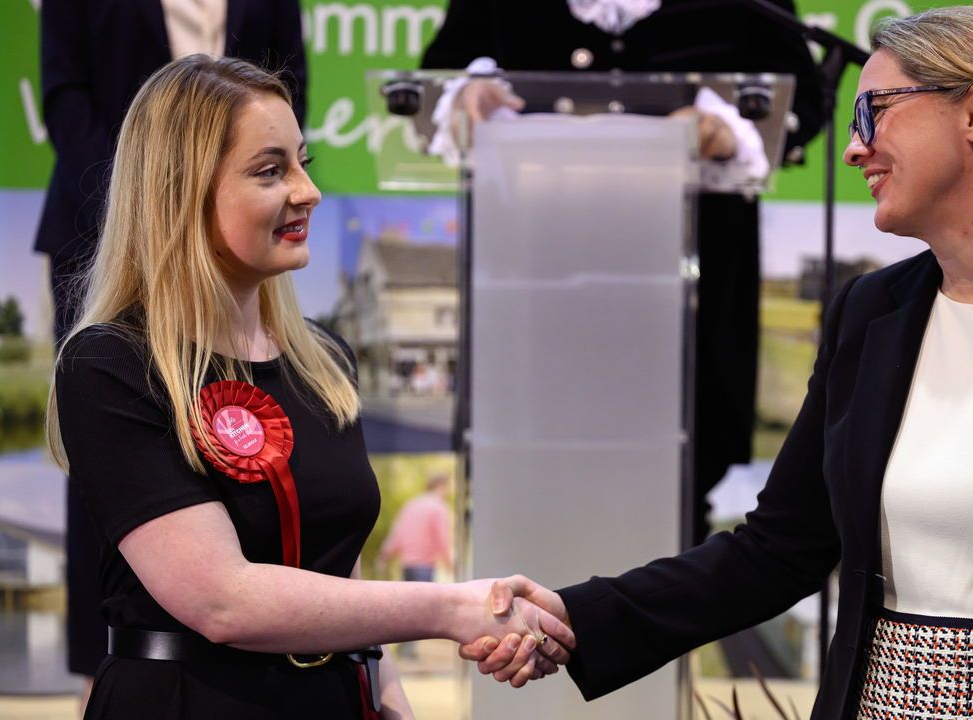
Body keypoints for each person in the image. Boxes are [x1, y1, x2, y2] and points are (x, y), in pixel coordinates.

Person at [460, 6, 973, 719]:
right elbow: (779, 548)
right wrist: (574, 616)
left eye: (877, 111)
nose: (853, 145)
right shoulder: (871, 314)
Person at [47, 55, 572, 719]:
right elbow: (222, 601)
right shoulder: (110, 366)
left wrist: (390, 700)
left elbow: (336, 564)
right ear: (179, 190)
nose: (308, 191)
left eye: (303, 162)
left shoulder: (323, 359)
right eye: (271, 171)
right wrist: (450, 608)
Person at [421, 0, 824, 547]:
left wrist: (724, 129)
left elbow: (802, 96)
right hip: (533, 282)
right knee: (528, 516)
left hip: (691, 294)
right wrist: (466, 97)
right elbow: (442, 75)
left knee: (675, 518)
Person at [36, 0, 308, 690]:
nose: (311, 193)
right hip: (104, 220)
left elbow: (288, 86)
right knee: (114, 447)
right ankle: (110, 663)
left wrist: (266, 175)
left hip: (237, 211)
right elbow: (64, 94)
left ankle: (286, 634)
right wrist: (154, 200)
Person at [379, 473, 455, 658]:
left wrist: (385, 554)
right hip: (425, 563)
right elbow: (442, 539)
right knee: (419, 610)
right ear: (441, 486)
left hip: (408, 562)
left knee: (409, 607)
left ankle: (406, 649)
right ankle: (408, 650)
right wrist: (449, 563)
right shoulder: (438, 508)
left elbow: (398, 532)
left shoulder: (411, 505)